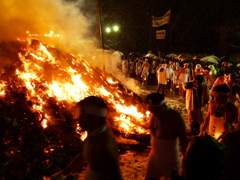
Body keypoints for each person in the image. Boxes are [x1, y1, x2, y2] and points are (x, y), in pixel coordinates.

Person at [50, 96, 123, 180]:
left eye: (82, 116)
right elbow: (84, 155)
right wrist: (63, 174)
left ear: (94, 119)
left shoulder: (102, 142)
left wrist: (62, 175)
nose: (78, 119)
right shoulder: (98, 132)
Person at [144, 93, 188, 180]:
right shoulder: (153, 115)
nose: (154, 113)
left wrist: (186, 162)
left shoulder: (175, 117)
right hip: (154, 159)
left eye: (156, 111)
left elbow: (184, 141)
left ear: (163, 105)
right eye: (152, 111)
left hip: (171, 161)